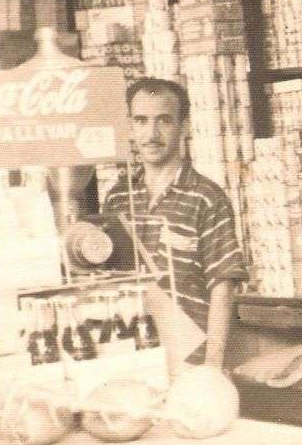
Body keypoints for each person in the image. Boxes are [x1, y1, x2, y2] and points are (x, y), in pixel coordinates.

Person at [101, 77, 247, 376]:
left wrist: (212, 368)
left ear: (184, 127)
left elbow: (223, 285)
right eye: (141, 121)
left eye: (163, 121)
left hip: (191, 359)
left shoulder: (206, 197)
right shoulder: (117, 198)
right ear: (129, 127)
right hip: (133, 356)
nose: (151, 134)